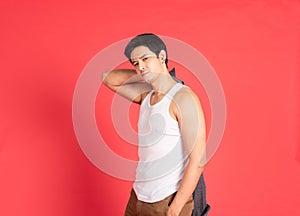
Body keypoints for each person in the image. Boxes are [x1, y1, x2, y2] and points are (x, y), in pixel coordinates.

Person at [102, 33, 208, 216]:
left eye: (145, 58)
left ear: (161, 57)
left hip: (166, 199)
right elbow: (108, 78)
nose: (140, 66)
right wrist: (146, 75)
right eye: (135, 63)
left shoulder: (183, 98)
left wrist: (175, 208)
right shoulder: (146, 96)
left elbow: (199, 159)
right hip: (138, 196)